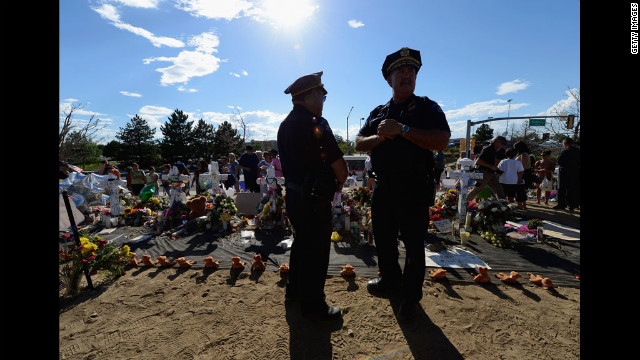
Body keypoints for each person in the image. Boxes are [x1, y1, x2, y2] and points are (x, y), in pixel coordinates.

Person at [354, 47, 450, 321]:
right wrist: (382, 137)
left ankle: (410, 296)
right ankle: (390, 281)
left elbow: (442, 140)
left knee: (413, 244)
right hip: (384, 187)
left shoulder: (427, 108)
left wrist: (404, 130)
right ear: (389, 79)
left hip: (414, 187)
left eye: (411, 71)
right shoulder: (378, 112)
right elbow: (359, 143)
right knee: (383, 240)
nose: (407, 75)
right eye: (401, 71)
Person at [277, 71, 348, 321]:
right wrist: (339, 183)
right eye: (322, 94)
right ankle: (314, 307)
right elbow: (340, 165)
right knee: (316, 252)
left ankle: (294, 291)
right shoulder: (317, 123)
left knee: (301, 245)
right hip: (315, 199)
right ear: (309, 96)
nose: (324, 99)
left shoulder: (284, 125)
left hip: (295, 197)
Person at [467, 135, 508, 201]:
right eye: (502, 143)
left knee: (498, 189)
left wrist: (494, 168)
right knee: (477, 189)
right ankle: (463, 203)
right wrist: (491, 166)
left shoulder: (492, 149)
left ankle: (503, 205)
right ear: (496, 142)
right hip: (484, 172)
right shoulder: (488, 149)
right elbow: (478, 161)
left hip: (489, 172)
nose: (503, 145)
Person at [553, 137, 580, 211]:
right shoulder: (578, 151)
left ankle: (562, 204)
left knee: (562, 188)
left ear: (565, 143)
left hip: (564, 172)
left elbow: (559, 162)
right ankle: (572, 205)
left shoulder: (565, 151)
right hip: (575, 172)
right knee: (572, 188)